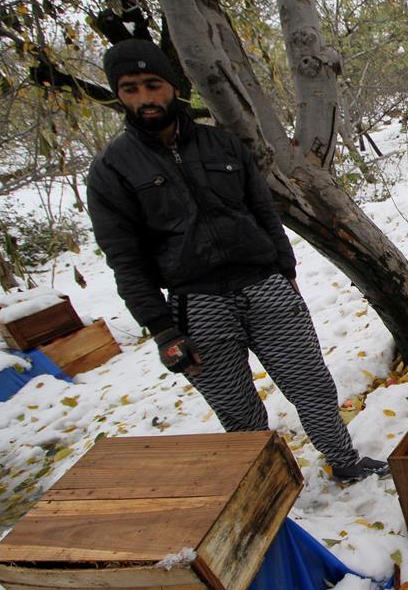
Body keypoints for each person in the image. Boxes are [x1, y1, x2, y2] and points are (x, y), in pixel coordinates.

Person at [86, 39, 387, 482]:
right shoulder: (111, 169)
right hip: (196, 306)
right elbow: (124, 258)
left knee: (312, 385)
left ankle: (345, 461)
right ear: (118, 94)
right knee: (238, 410)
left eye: (153, 84)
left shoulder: (221, 144)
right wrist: (163, 330)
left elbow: (264, 211)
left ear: (174, 86)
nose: (145, 99)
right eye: (130, 89)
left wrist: (285, 273)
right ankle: (269, 490)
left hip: (264, 287)